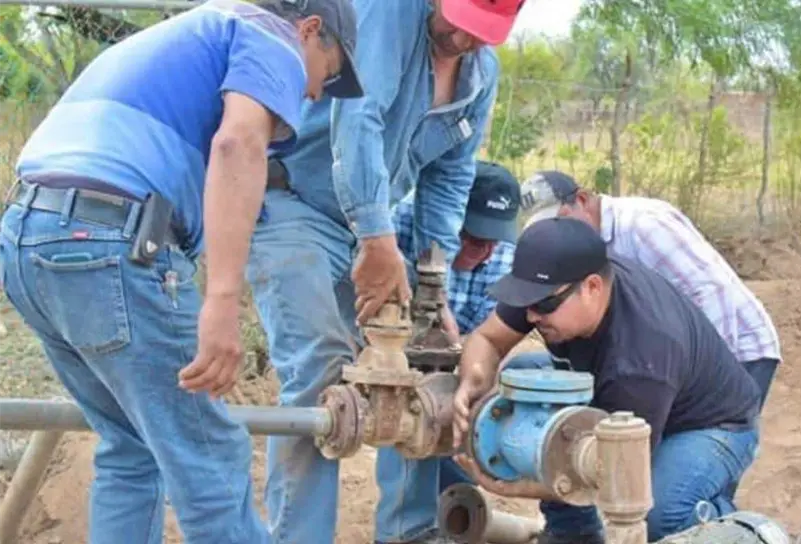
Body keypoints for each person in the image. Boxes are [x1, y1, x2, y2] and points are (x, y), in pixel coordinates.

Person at [0, 0, 361, 541]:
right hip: (109, 241)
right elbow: (237, 144)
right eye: (325, 76)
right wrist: (220, 301)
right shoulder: (270, 36)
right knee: (210, 462)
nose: (313, 95)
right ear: (310, 30)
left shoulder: (191, 35)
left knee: (130, 449)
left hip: (28, 237)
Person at [242, 0, 527, 542]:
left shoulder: (479, 77)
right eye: (458, 23)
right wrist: (377, 237)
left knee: (426, 359)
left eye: (482, 34)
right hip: (295, 206)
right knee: (319, 372)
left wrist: (432, 280)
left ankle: (409, 532)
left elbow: (451, 172)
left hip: (370, 231)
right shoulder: (389, 15)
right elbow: (359, 118)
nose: (464, 41)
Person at [450, 217, 763, 544]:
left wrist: (513, 486)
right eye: (525, 301)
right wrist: (474, 379)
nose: (530, 316)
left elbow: (615, 475)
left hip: (712, 425)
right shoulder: (551, 287)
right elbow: (486, 340)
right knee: (529, 381)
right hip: (621, 390)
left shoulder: (640, 359)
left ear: (592, 288)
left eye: (543, 304)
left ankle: (740, 530)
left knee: (660, 516)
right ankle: (574, 536)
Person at [520, 170, 783, 408]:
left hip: (738, 349)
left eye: (560, 219)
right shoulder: (578, 249)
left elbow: (710, 292)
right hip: (658, 355)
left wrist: (711, 370)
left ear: (583, 200)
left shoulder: (644, 226)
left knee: (704, 436)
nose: (558, 231)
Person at [393, 160, 519, 343]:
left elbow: (491, 340)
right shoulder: (402, 220)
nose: (489, 254)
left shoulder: (506, 259)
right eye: (477, 241)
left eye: (495, 241)